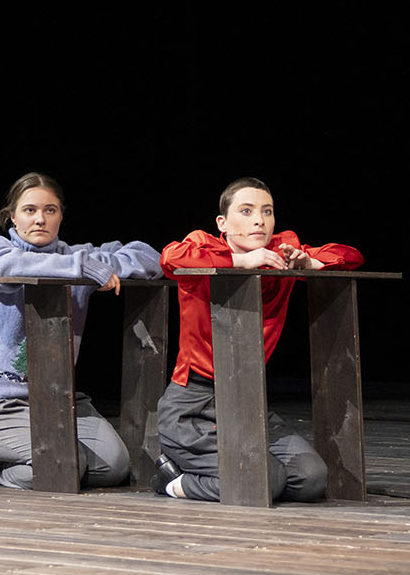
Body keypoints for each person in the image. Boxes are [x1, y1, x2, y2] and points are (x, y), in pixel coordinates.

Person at [155, 178, 363, 503]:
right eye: (247, 211)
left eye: (267, 211)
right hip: (193, 405)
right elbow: (170, 258)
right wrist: (241, 261)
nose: (259, 221)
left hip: (248, 403)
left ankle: (210, 474)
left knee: (311, 478)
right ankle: (172, 481)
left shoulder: (281, 253)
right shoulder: (202, 249)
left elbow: (350, 256)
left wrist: (310, 263)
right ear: (223, 223)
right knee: (266, 479)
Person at [0, 172, 158, 489]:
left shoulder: (74, 256)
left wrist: (94, 265)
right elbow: (3, 267)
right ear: (12, 216)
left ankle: (1, 464)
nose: (40, 219)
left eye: (50, 210)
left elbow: (148, 257)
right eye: (29, 210)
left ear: (61, 215)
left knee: (114, 467)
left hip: (56, 400)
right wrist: (82, 268)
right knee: (64, 464)